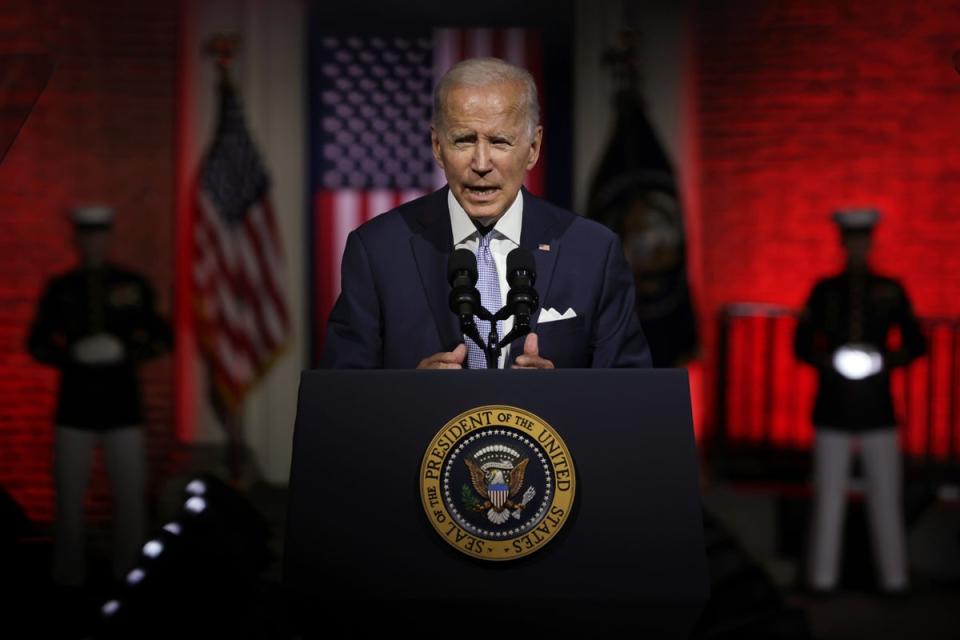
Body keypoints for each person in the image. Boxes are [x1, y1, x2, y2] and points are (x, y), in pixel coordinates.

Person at [321, 57, 651, 370]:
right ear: (437, 146)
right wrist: (409, 395)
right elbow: (340, 401)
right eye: (464, 141)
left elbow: (631, 396)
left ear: (533, 148)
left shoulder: (593, 252)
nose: (481, 164)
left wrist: (559, 398)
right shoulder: (377, 250)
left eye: (499, 142)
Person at [27, 205, 172, 587]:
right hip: (74, 407)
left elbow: (162, 337)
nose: (93, 242)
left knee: (129, 497)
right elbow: (36, 343)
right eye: (86, 235)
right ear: (77, 239)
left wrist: (126, 351)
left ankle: (130, 575)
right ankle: (67, 578)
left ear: (109, 238)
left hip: (122, 405)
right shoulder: (62, 289)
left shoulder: (132, 285)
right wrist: (68, 355)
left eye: (99, 235)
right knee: (68, 498)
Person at [794, 208, 925, 595]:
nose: (857, 246)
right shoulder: (824, 291)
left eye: (862, 239)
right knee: (828, 497)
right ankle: (822, 580)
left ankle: (894, 579)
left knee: (886, 496)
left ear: (870, 242)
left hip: (877, 407)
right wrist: (830, 360)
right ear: (843, 242)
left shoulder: (891, 290)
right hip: (833, 405)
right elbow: (801, 345)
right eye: (851, 239)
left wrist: (882, 359)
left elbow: (916, 343)